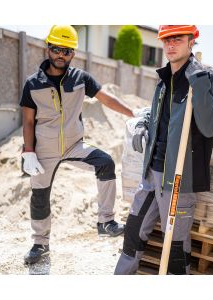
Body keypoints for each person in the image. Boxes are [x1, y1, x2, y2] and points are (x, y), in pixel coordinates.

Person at [20, 25, 135, 264]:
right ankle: (40, 244)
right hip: (43, 152)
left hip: (74, 146)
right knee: (39, 197)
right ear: (48, 48)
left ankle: (105, 221)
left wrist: (132, 113)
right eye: (56, 49)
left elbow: (105, 98)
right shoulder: (33, 83)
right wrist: (28, 151)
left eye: (67, 50)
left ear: (73, 53)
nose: (60, 54)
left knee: (105, 163)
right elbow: (28, 121)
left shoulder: (81, 79)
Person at [114, 25, 213, 275]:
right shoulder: (165, 80)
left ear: (191, 41)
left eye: (177, 39)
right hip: (152, 173)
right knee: (133, 230)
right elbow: (158, 115)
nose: (170, 45)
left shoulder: (205, 78)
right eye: (166, 40)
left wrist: (199, 81)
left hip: (178, 179)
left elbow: (210, 127)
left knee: (174, 248)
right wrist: (144, 122)